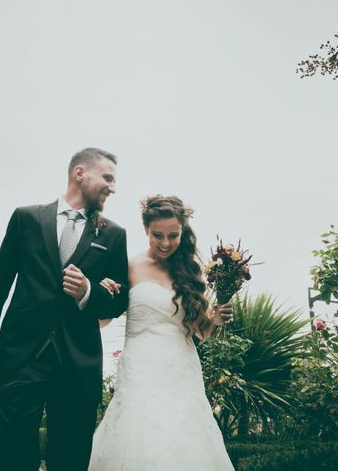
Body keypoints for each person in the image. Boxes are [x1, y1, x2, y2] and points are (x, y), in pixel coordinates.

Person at [0, 148, 129, 471]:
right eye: (107, 178)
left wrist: (88, 292)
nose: (113, 187)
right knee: (13, 458)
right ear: (80, 173)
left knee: (69, 460)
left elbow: (120, 301)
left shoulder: (113, 235)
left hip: (77, 364)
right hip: (21, 358)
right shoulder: (26, 218)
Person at [88, 195, 235, 471]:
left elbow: (198, 331)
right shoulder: (128, 266)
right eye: (157, 235)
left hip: (181, 369)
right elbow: (102, 320)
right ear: (145, 230)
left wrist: (213, 319)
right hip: (140, 368)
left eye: (173, 236)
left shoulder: (190, 272)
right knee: (139, 433)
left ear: (182, 232)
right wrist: (99, 293)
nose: (165, 243)